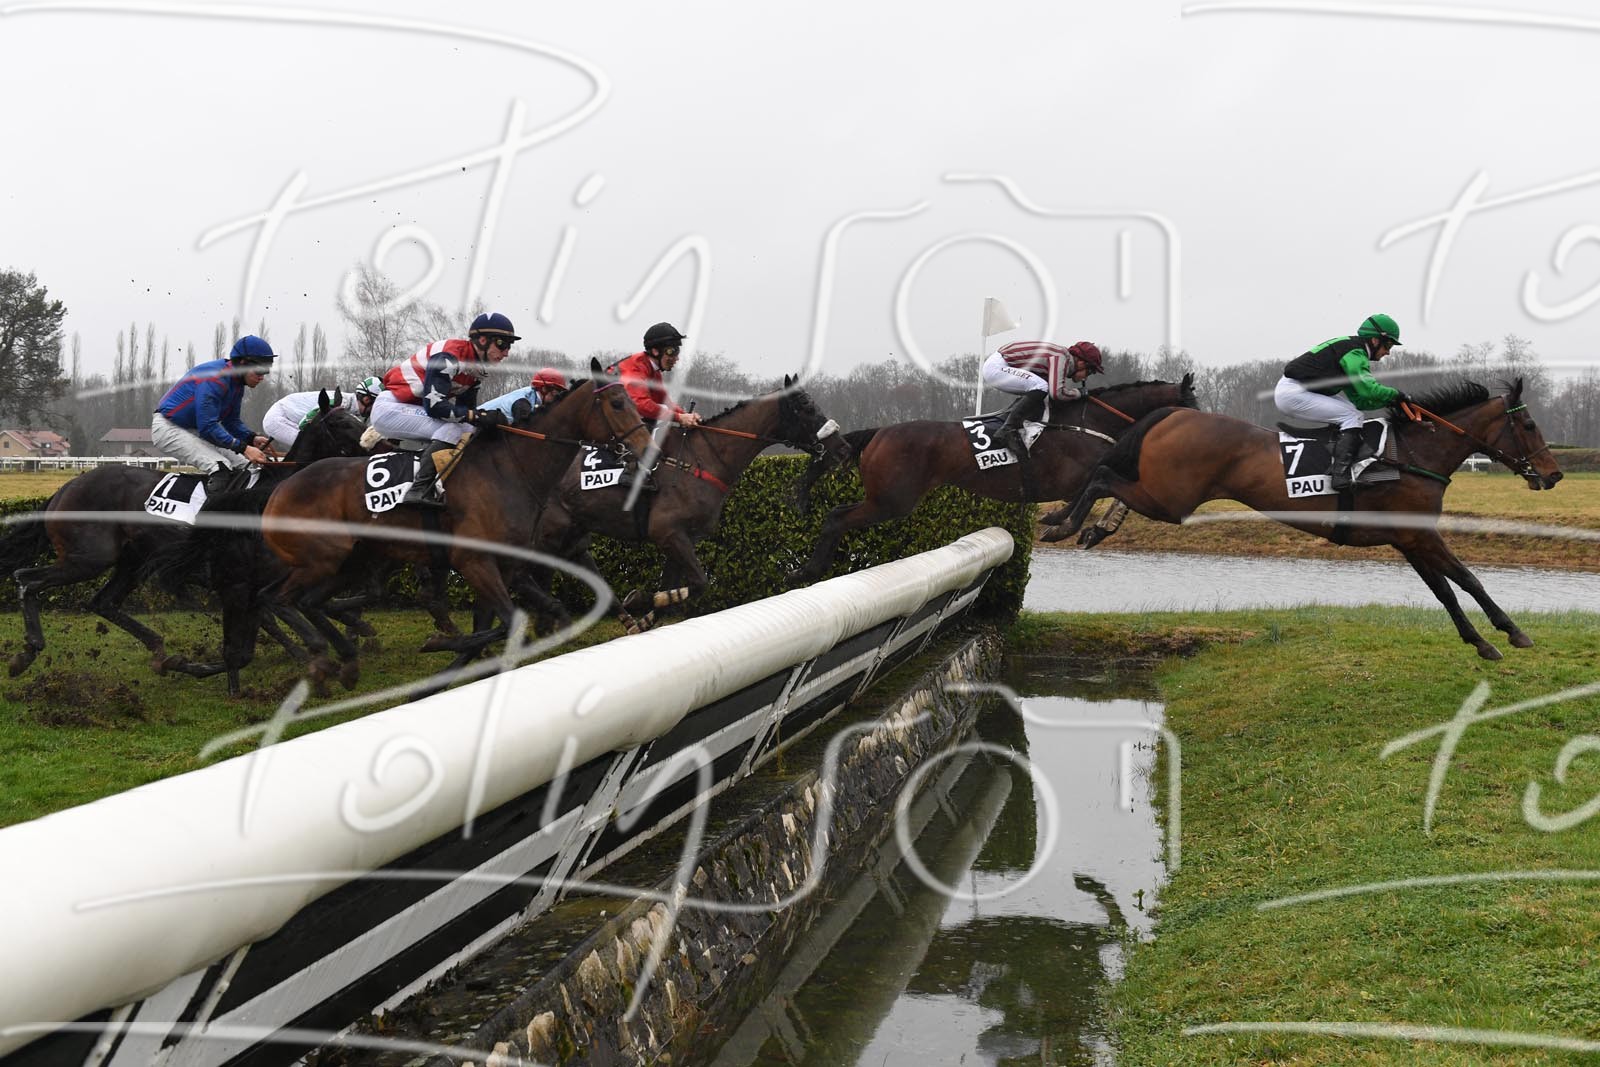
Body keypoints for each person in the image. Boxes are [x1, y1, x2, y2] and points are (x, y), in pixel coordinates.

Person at [368, 312, 519, 507]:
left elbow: (466, 414)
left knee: (467, 429)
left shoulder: (476, 370)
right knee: (453, 429)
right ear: (483, 340)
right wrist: (477, 416)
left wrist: (484, 420)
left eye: (509, 346)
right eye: (502, 344)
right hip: (391, 408)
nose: (506, 352)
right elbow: (435, 407)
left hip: (410, 407)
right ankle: (418, 489)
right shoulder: (449, 357)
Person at [1276, 313, 1405, 491]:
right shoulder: (1355, 353)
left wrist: (1390, 402)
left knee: (1353, 412)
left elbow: (1360, 401)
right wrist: (1395, 395)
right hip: (1293, 392)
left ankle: (1338, 457)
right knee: (1351, 416)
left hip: (1300, 391)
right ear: (1375, 340)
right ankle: (1340, 477)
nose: (1388, 352)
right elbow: (1368, 389)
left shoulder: (1353, 353)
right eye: (1388, 345)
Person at [152, 335, 276, 494]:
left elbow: (231, 422)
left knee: (248, 467)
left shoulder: (237, 384)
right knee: (220, 468)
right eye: (260, 370)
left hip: (194, 430)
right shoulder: (215, 379)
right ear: (243, 363)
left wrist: (251, 438)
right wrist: (244, 448)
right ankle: (208, 510)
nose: (262, 377)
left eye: (266, 371)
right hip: (168, 428)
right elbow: (208, 427)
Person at [983, 339, 1105, 458]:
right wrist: (1079, 393)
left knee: (1040, 391)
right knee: (1041, 387)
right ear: (1081, 363)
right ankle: (1007, 430)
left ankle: (1012, 425)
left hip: (1002, 364)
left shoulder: (1062, 357)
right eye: (1089, 372)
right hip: (997, 367)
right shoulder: (1061, 357)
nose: (1085, 378)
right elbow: (1057, 394)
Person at [613, 322, 703, 428]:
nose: (676, 358)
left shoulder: (654, 370)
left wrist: (686, 416)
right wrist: (679, 417)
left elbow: (664, 401)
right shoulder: (636, 368)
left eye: (677, 351)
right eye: (671, 351)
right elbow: (641, 405)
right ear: (655, 351)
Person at [262, 376, 381, 451]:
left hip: (289, 416)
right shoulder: (340, 402)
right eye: (377, 405)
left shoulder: (351, 408)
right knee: (318, 448)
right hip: (278, 418)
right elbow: (305, 423)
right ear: (367, 400)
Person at [476, 366, 569, 419]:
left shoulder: (532, 397)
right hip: (473, 426)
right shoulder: (524, 402)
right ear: (544, 389)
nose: (556, 397)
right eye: (556, 392)